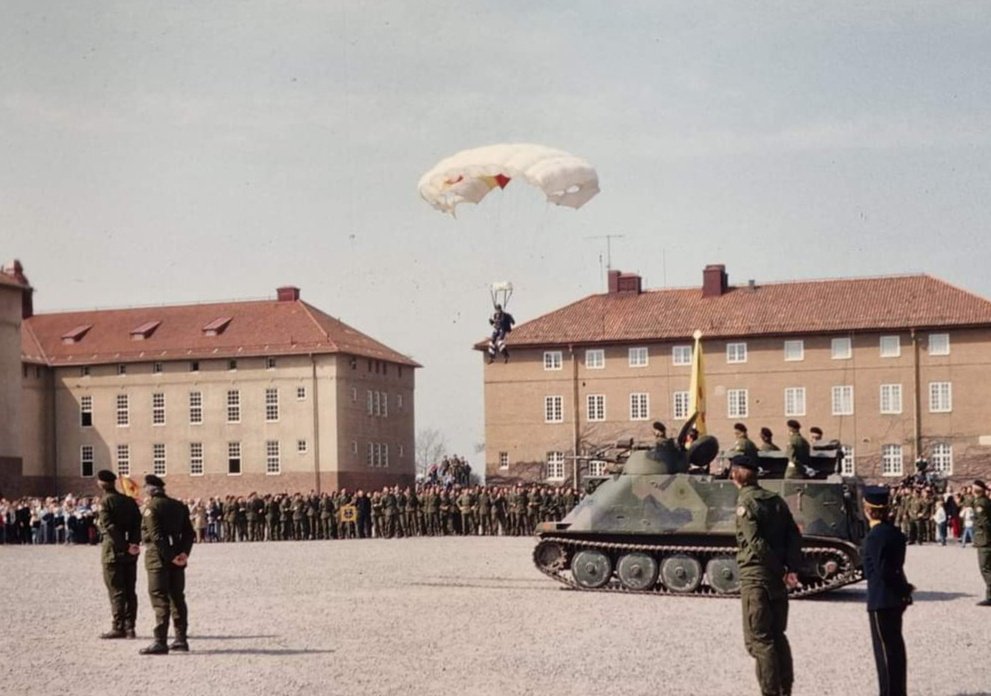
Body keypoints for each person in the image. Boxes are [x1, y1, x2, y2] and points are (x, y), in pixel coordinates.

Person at [730, 453, 803, 696]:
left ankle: (771, 692)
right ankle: (785, 688)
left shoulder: (746, 503)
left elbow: (756, 543)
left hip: (756, 578)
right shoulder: (776, 500)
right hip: (775, 580)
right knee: (777, 635)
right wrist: (790, 568)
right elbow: (794, 535)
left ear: (735, 475)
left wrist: (779, 569)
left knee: (759, 641)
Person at [862, 485, 914, 696]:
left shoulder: (874, 537)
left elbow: (883, 570)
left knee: (885, 655)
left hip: (881, 599)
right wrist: (904, 588)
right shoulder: (895, 533)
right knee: (896, 651)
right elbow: (895, 566)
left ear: (867, 509)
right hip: (895, 598)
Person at [139, 474, 195, 655]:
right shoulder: (179, 506)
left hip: (158, 558)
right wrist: (183, 554)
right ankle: (180, 639)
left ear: (150, 489)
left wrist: (170, 556)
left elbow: (156, 536)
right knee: (177, 597)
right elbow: (189, 533)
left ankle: (160, 641)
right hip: (178, 556)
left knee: (159, 597)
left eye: (145, 487)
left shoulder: (151, 508)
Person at [96, 469, 141, 639]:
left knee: (116, 590)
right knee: (130, 590)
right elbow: (138, 524)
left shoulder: (105, 502)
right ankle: (130, 627)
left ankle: (118, 626)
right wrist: (133, 544)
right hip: (130, 552)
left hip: (113, 551)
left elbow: (110, 527)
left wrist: (123, 546)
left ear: (101, 484)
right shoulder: (128, 501)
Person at [971, 480, 991, 606]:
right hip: (985, 538)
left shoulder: (980, 503)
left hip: (985, 539)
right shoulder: (985, 501)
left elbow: (985, 522)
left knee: (985, 568)